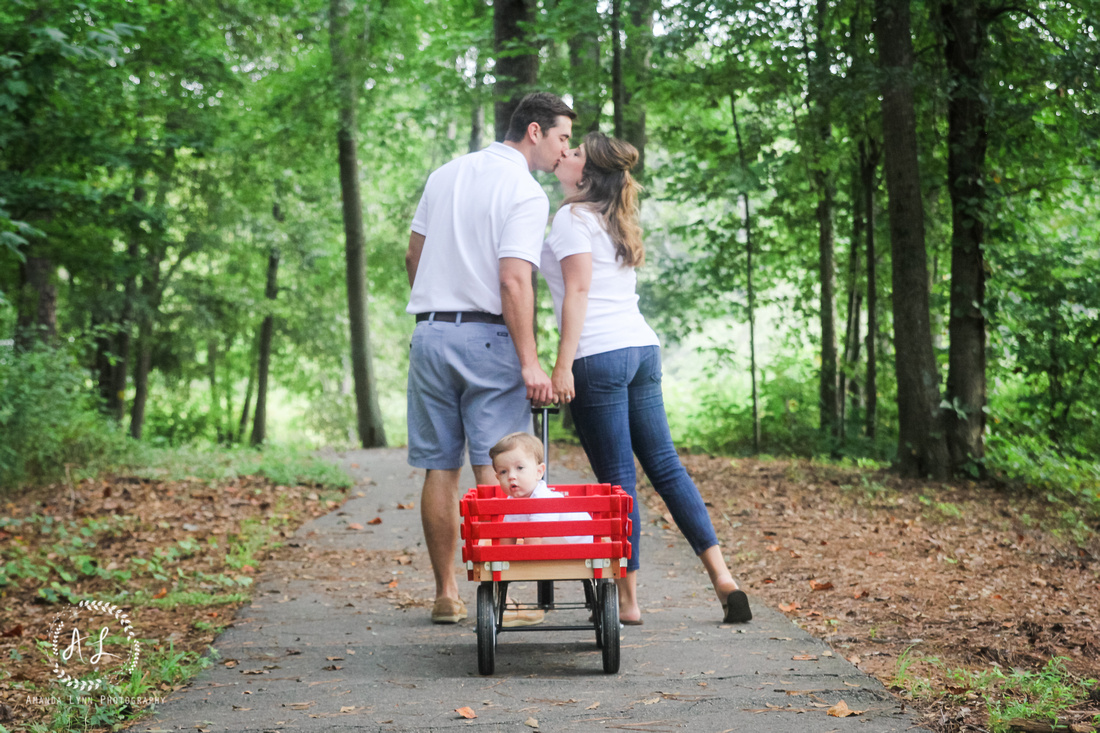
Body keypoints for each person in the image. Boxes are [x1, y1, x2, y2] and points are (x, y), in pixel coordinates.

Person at [540, 132, 752, 625]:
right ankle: (722, 576)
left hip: (599, 355)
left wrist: (562, 362)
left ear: (586, 174)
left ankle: (629, 602)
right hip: (641, 348)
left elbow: (577, 293)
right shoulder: (614, 218)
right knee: (666, 465)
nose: (564, 156)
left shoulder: (571, 218)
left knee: (617, 480)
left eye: (573, 153)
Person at [405, 92, 575, 624]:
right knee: (497, 467)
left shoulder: (445, 174)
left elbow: (413, 254)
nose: (564, 149)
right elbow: (512, 278)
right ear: (533, 131)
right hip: (487, 339)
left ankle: (446, 594)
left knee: (438, 467)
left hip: (430, 335)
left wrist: (439, 309)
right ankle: (503, 598)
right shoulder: (524, 190)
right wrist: (529, 360)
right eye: (562, 137)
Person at [489, 431, 592, 627]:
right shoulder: (512, 501)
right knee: (526, 538)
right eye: (503, 472)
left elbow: (533, 543)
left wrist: (514, 552)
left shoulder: (542, 499)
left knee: (534, 537)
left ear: (538, 471)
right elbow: (507, 536)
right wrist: (500, 558)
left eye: (519, 468)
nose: (512, 476)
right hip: (556, 543)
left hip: (580, 545)